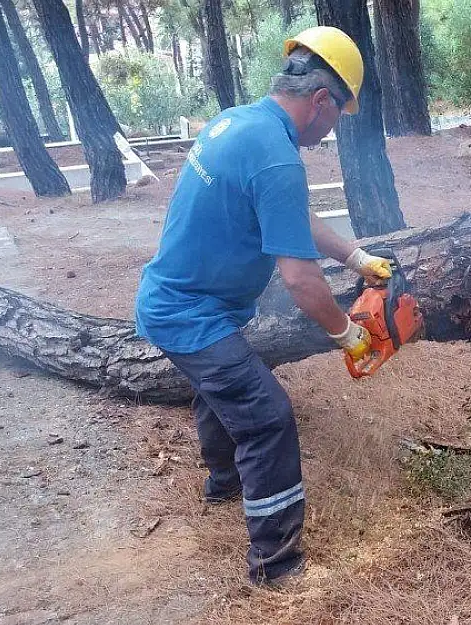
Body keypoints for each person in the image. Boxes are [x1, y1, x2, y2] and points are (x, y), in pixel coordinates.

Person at [133, 27, 392, 587]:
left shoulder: (239, 121)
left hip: (185, 303)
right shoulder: (276, 156)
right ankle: (277, 565)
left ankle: (224, 480)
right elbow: (299, 280)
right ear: (321, 99)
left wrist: (355, 257)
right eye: (339, 113)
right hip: (189, 314)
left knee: (220, 386)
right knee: (266, 417)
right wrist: (346, 332)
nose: (333, 128)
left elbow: (289, 211)